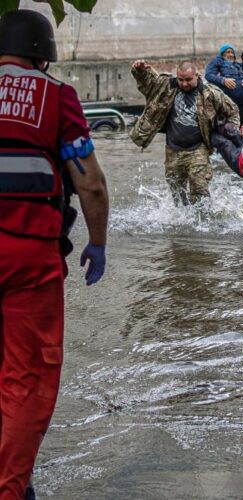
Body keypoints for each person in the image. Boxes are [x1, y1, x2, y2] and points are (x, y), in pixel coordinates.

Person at [0, 10, 109, 498]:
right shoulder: (55, 96)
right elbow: (91, 184)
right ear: (43, 55)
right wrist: (98, 243)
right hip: (29, 260)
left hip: (27, 258)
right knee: (26, 380)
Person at [130, 59, 239, 206]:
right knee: (178, 195)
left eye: (188, 80)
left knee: (199, 191)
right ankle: (184, 224)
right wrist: (140, 71)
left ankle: (205, 224)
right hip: (172, 150)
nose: (184, 84)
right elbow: (147, 84)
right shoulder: (167, 86)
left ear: (197, 76)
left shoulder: (210, 93)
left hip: (198, 149)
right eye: (181, 79)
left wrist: (231, 132)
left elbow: (233, 111)